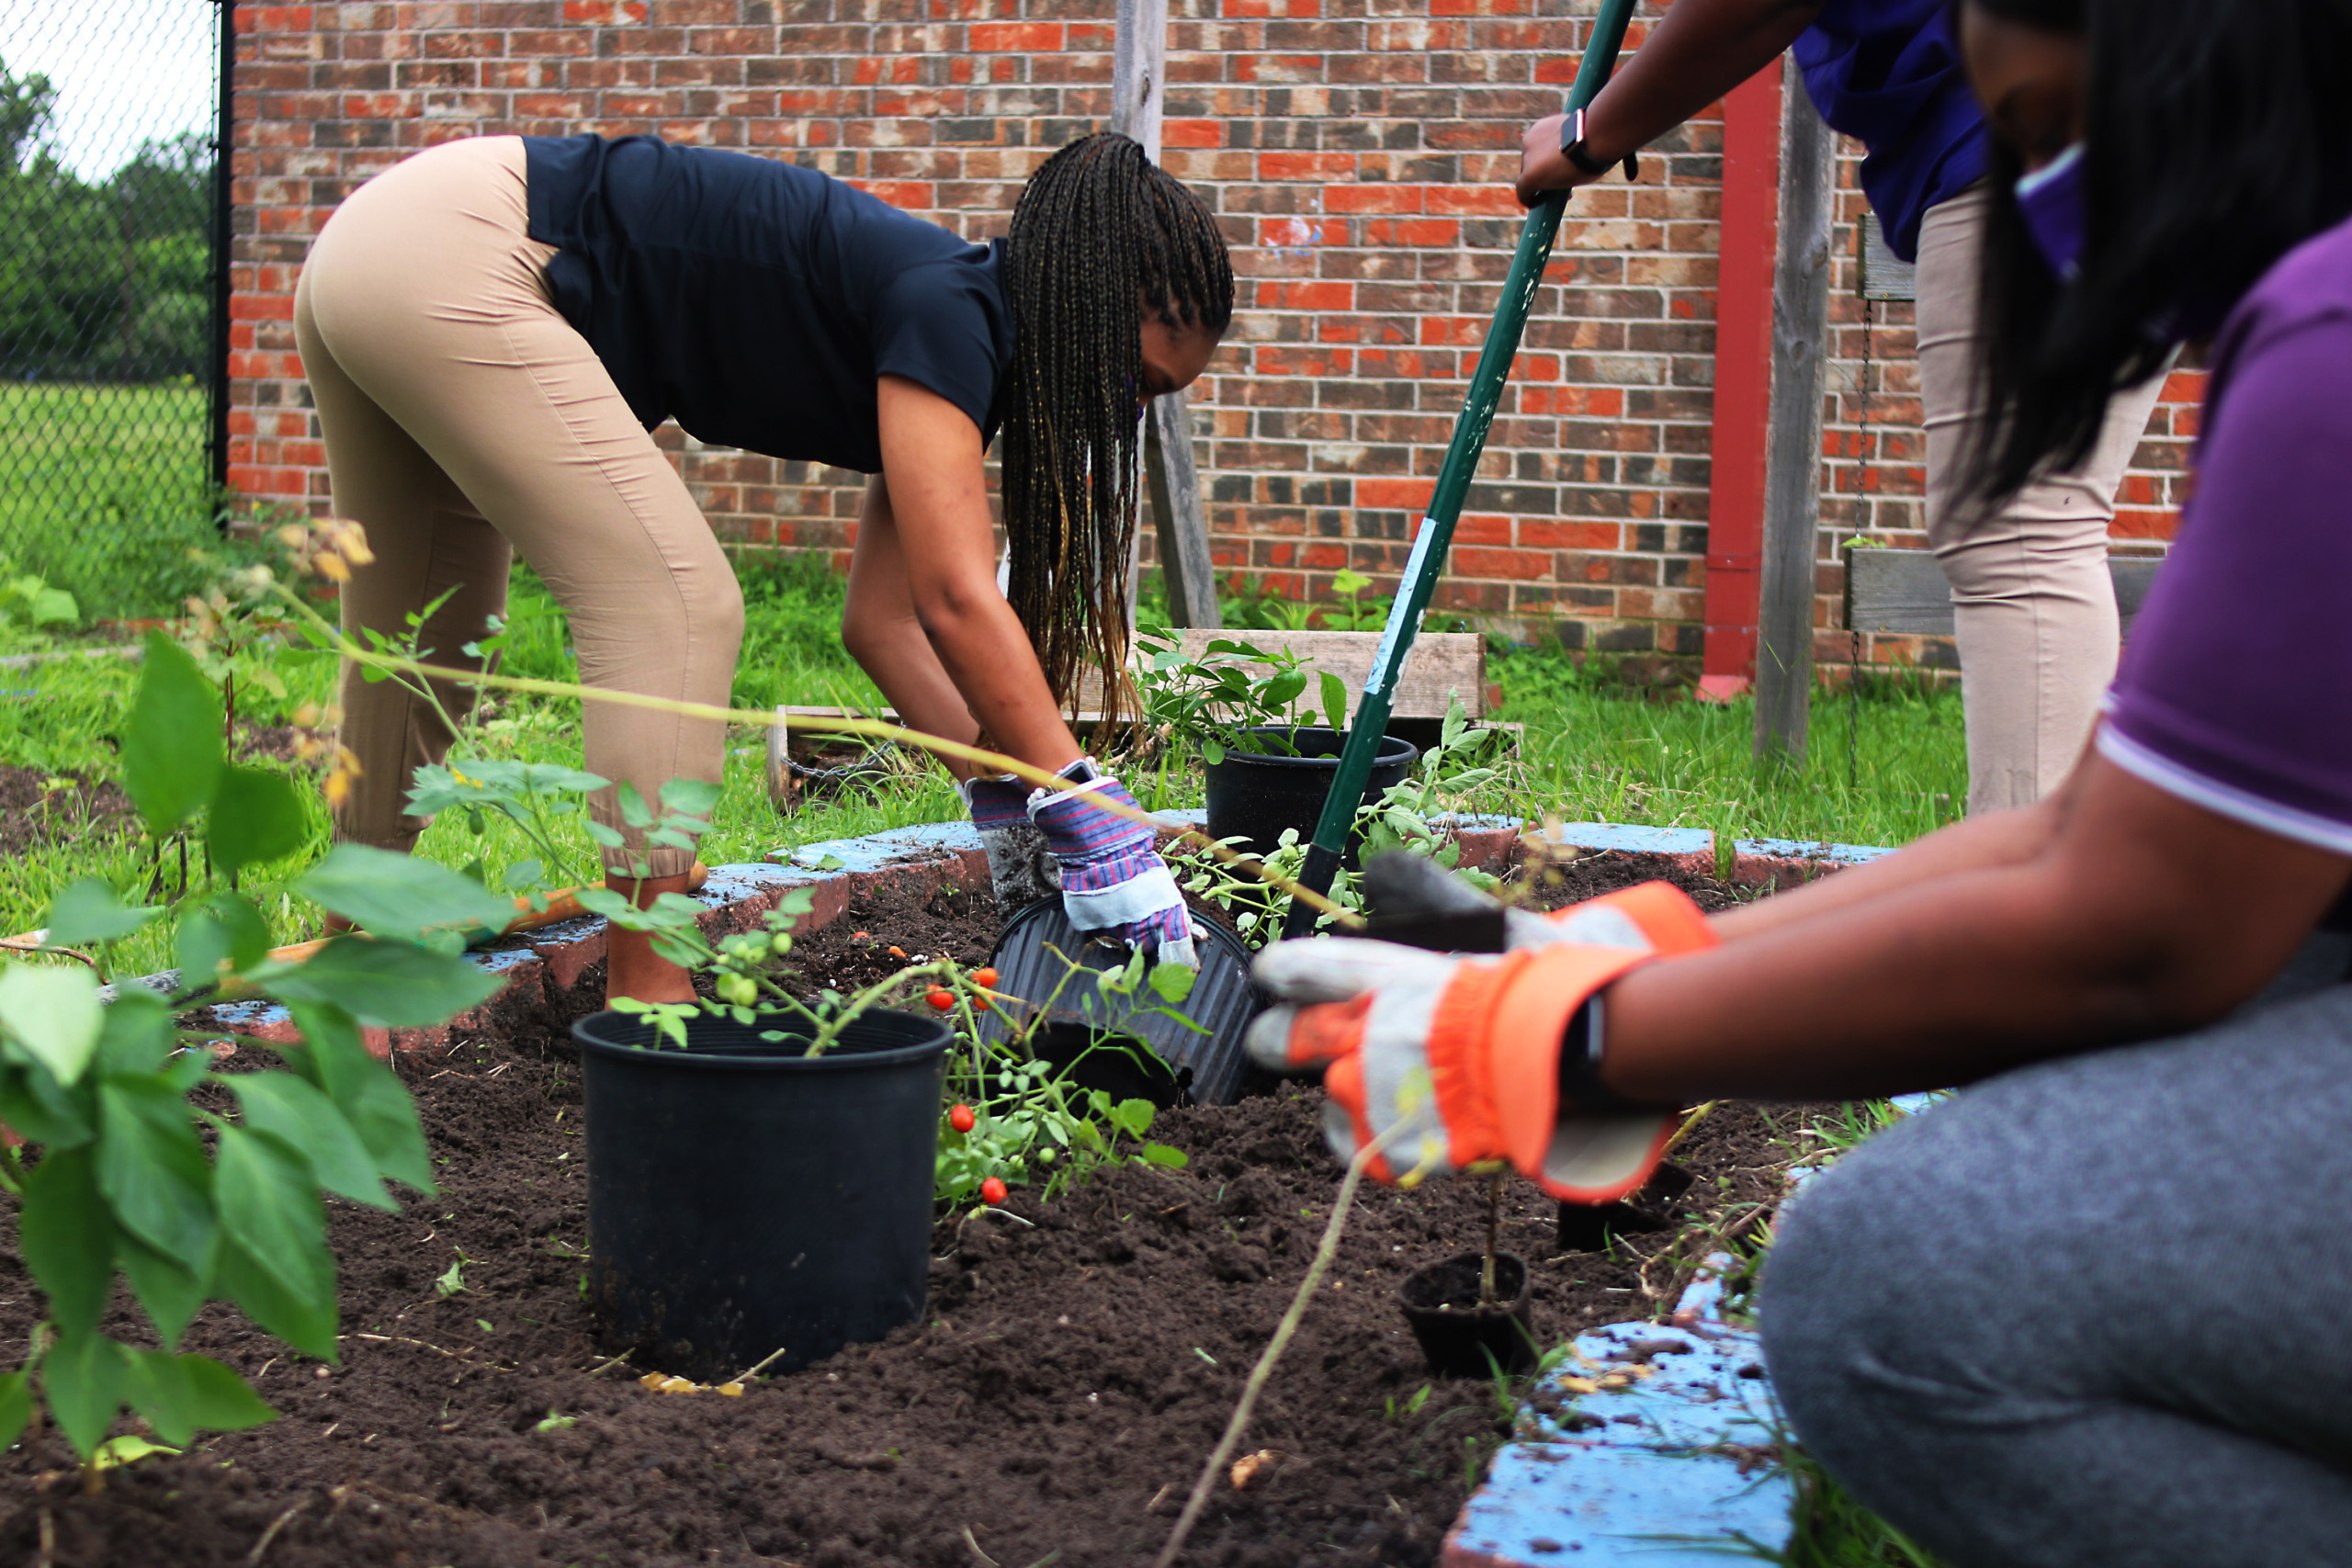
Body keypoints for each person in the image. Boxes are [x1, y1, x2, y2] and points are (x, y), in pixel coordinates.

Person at [1250, 0, 2352, 1561]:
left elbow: (2136, 924)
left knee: (1887, 1288)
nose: (2033, 200)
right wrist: (1616, 958)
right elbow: (2092, 832)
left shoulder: (2332, 345)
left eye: (2041, 138)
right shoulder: (2307, 323)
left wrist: (1586, 1041)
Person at [293, 131, 1229, 1001]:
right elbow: (954, 599)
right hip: (466, 251)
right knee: (673, 601)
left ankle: (353, 942)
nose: (1127, 419)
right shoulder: (953, 311)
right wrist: (1081, 799)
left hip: (383, 245)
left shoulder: (951, 330)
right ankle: (647, 997)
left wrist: (1006, 795)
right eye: (1138, 380)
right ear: (1089, 303)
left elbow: (886, 624)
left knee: (426, 634)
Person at [1517, 0, 2169, 816]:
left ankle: (2049, 910)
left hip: (2055, 115)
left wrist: (1589, 131)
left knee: (2022, 530)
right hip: (2140, 101)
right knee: (2038, 520)